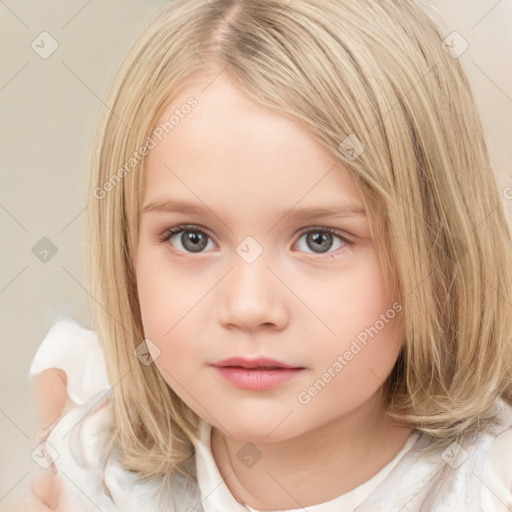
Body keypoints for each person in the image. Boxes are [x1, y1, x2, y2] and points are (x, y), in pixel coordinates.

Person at [27, 0, 512, 510]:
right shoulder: (88, 473)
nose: (249, 307)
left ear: (436, 252)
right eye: (192, 238)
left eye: (320, 239)